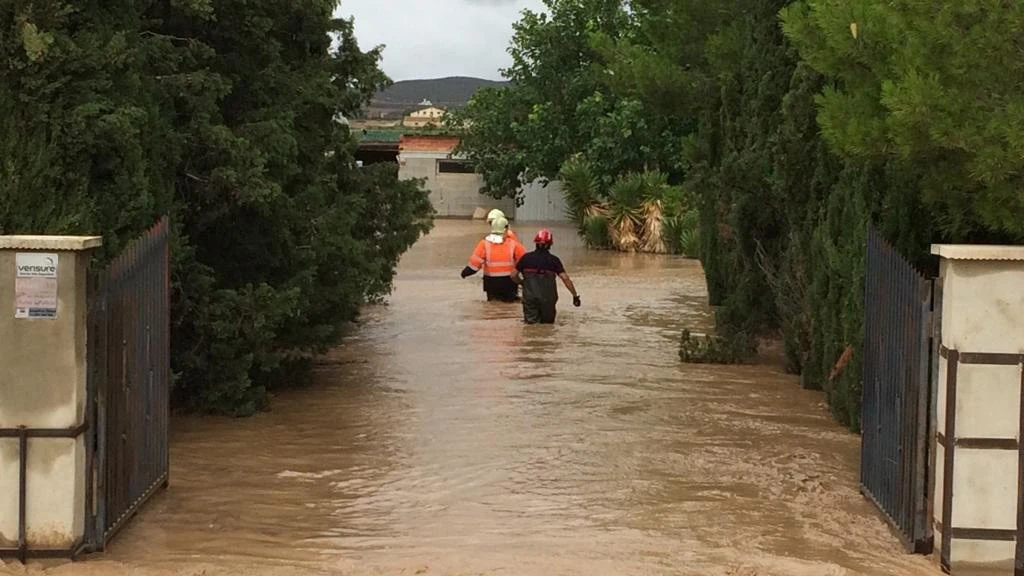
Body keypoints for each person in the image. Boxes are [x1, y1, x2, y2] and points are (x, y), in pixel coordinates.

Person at [512, 229, 580, 324]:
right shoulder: (554, 260)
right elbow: (565, 278)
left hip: (530, 298)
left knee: (531, 326)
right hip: (548, 299)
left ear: (536, 243)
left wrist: (522, 283)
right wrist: (575, 295)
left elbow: (513, 275)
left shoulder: (526, 258)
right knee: (548, 327)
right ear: (550, 245)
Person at [461, 216, 526, 302]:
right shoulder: (514, 244)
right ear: (506, 229)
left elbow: (474, 265)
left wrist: (464, 273)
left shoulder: (484, 244)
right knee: (509, 309)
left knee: (493, 306)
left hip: (491, 283)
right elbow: (526, 261)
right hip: (509, 283)